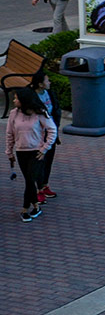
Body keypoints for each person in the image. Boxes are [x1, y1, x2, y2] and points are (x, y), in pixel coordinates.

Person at [5, 87, 57, 223]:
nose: (14, 100)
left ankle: (24, 208)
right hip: (21, 151)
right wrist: (9, 151)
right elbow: (10, 134)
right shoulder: (13, 114)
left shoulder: (39, 113)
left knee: (29, 180)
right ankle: (36, 206)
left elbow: (52, 130)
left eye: (17, 98)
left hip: (36, 152)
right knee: (29, 180)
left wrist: (45, 148)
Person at [27, 70, 61, 204]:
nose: (50, 82)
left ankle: (44, 185)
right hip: (37, 134)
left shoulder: (49, 93)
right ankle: (37, 190)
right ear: (40, 84)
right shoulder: (30, 97)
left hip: (50, 131)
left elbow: (55, 109)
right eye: (47, 80)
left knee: (48, 160)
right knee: (38, 161)